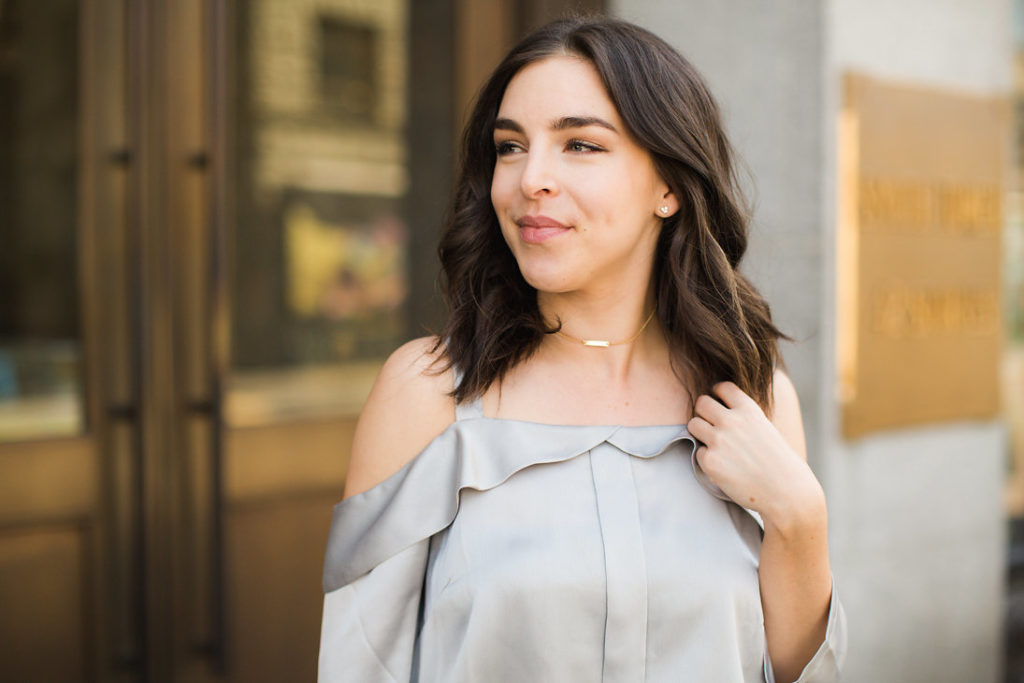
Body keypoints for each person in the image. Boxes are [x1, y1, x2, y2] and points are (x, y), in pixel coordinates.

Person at [319, 15, 845, 683]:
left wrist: (801, 516)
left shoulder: (749, 391)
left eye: (580, 146)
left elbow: (798, 670)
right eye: (510, 147)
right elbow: (359, 664)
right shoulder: (429, 392)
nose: (530, 177)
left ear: (670, 186)